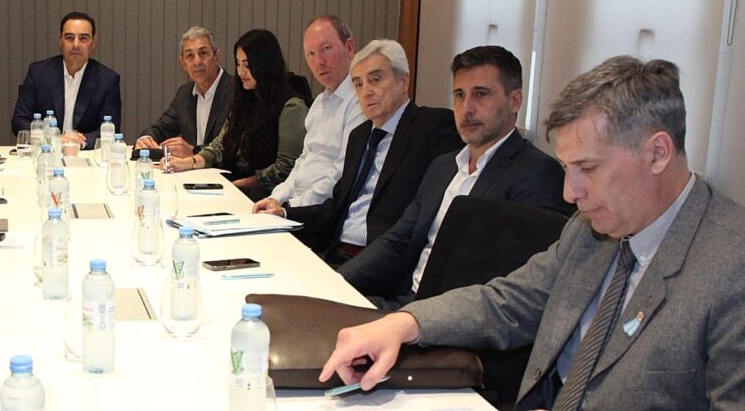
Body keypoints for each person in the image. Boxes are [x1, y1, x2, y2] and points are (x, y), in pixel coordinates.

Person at [320, 56, 745, 410]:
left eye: (588, 169)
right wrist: (404, 324)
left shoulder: (730, 267)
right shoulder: (589, 231)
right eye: (568, 168)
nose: (569, 192)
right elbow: (506, 302)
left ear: (657, 153)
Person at [338, 46, 573, 308]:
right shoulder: (443, 166)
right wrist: (334, 284)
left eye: (481, 94)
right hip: (402, 300)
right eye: (459, 95)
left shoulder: (537, 174)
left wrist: (411, 319)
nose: (466, 108)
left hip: (452, 317)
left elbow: (513, 288)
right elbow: (398, 241)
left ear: (515, 100)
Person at [258, 40, 461, 267]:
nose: (366, 91)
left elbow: (432, 213)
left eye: (376, 79)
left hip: (382, 260)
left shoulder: (432, 127)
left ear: (403, 81)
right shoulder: (360, 135)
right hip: (334, 252)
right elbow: (336, 206)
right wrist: (284, 215)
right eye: (358, 84)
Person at [166, 29, 308, 199]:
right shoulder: (245, 100)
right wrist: (191, 162)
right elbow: (221, 144)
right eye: (238, 64)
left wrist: (240, 184)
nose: (240, 72)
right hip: (235, 188)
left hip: (267, 198)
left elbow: (285, 169)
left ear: (265, 65)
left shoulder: (291, 107)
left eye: (247, 65)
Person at [252, 15, 365, 210]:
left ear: (349, 47)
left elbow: (341, 173)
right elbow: (303, 161)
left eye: (326, 49)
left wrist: (291, 207)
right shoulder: (319, 103)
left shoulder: (360, 102)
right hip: (298, 205)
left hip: (322, 211)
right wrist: (276, 197)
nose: (319, 61)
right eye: (310, 54)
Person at [11, 11, 122, 148]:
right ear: (60, 40)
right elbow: (19, 121)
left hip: (85, 153)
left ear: (93, 42)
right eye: (69, 38)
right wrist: (54, 138)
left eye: (83, 38)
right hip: (46, 152)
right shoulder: (38, 73)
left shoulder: (107, 80)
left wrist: (78, 141)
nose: (76, 44)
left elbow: (111, 129)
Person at [134, 26, 235, 158]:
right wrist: (146, 138)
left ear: (217, 56)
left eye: (203, 53)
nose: (197, 62)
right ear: (183, 63)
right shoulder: (184, 94)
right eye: (190, 56)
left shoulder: (237, 91)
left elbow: (234, 145)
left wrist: (195, 152)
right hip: (189, 170)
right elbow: (162, 128)